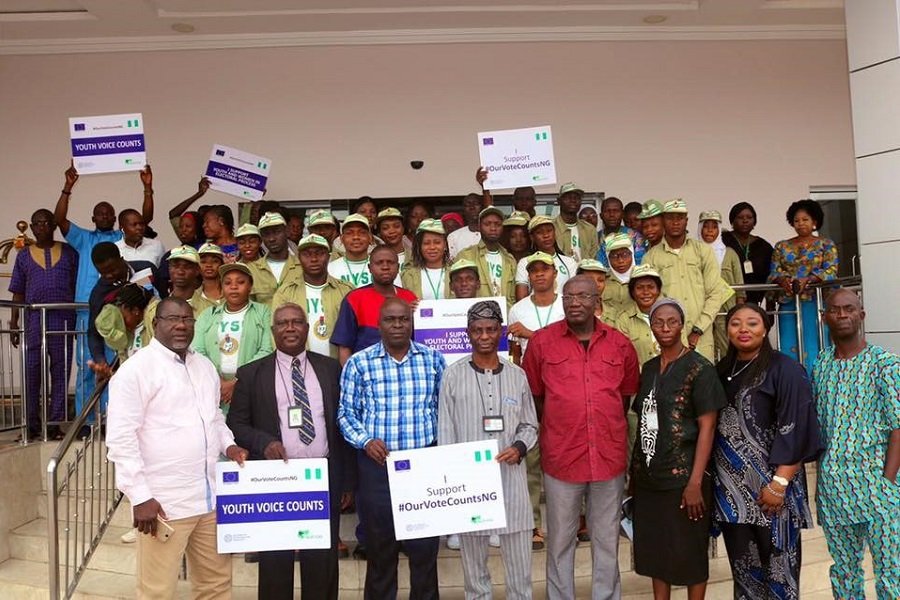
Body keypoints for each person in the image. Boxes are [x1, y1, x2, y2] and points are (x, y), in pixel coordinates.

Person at [106, 297, 248, 598]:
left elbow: (214, 420)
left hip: (210, 501)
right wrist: (140, 496)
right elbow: (121, 439)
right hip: (164, 505)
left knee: (216, 586)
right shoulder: (136, 370)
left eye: (187, 319)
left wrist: (231, 446)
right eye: (172, 318)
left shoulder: (205, 366)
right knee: (157, 591)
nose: (181, 325)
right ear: (155, 324)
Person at [522, 275, 640, 600]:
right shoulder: (542, 343)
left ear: (595, 299)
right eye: (569, 296)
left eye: (582, 296)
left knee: (606, 540)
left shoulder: (620, 344)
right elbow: (535, 398)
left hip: (608, 456)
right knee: (560, 540)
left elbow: (625, 397)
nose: (575, 302)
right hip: (562, 456)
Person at [227, 303, 356, 600]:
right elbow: (236, 423)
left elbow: (341, 424)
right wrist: (264, 442)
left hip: (322, 476)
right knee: (275, 560)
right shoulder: (251, 374)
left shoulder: (330, 369)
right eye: (283, 323)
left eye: (297, 322)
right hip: (277, 479)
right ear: (273, 331)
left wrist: (347, 481)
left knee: (322, 560)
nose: (290, 328)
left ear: (307, 329)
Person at [338, 297, 446, 600]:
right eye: (390, 320)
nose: (398, 325)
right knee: (380, 549)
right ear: (378, 324)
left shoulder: (434, 359)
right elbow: (346, 414)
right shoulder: (359, 363)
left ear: (411, 323)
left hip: (423, 467)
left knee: (424, 551)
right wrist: (365, 441)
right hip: (377, 468)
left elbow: (444, 410)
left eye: (403, 319)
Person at [712, 303, 822, 599]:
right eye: (735, 324)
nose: (743, 329)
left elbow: (796, 425)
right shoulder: (720, 371)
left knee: (780, 574)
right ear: (727, 330)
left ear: (766, 328)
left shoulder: (785, 369)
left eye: (752, 323)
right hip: (732, 496)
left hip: (773, 493)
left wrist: (780, 482)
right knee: (745, 576)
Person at [438, 300, 539, 600]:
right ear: (468, 333)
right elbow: (446, 433)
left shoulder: (516, 375)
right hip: (471, 488)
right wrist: (454, 483)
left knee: (520, 574)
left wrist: (519, 448)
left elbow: (530, 425)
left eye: (491, 329)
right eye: (478, 330)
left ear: (501, 332)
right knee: (475, 576)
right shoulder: (453, 376)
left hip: (512, 483)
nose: (484, 336)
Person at [631, 298, 726, 600]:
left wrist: (695, 482)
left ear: (682, 325)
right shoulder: (648, 369)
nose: (665, 328)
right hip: (649, 479)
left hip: (685, 478)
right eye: (658, 322)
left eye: (671, 321)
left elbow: (708, 427)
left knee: (689, 552)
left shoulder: (700, 368)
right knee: (657, 552)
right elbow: (644, 421)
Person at [812, 289, 900, 600]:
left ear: (861, 315)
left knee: (891, 573)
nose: (842, 315)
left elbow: (898, 426)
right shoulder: (820, 365)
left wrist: (887, 482)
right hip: (835, 489)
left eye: (849, 309)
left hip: (878, 488)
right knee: (845, 572)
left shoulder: (885, 364)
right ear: (824, 318)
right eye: (835, 310)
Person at [54, 163, 153, 420]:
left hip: (132, 324)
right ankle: (87, 423)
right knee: (91, 368)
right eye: (100, 214)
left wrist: (147, 188)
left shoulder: (129, 251)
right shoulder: (85, 241)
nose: (106, 217)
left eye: (110, 214)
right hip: (91, 313)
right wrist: (68, 188)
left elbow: (145, 219)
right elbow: (59, 221)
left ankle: (114, 420)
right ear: (93, 218)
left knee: (123, 368)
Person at [8, 209, 77, 440]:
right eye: (37, 223)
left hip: (63, 318)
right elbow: (18, 291)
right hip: (33, 320)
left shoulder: (69, 252)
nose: (42, 227)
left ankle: (55, 423)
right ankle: (31, 424)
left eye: (47, 223)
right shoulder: (24, 255)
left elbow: (78, 285)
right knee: (31, 373)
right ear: (31, 226)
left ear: (54, 225)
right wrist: (14, 322)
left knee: (61, 371)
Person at [643, 199, 725, 362]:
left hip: (702, 338)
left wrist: (698, 329)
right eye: (670, 218)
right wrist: (669, 330)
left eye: (679, 218)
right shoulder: (651, 256)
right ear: (663, 221)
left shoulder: (703, 251)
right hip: (668, 339)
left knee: (702, 384)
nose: (675, 222)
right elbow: (651, 299)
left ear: (686, 220)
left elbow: (715, 293)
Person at [192, 263, 273, 411]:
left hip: (252, 386)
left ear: (250, 286)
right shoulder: (207, 315)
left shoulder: (263, 312)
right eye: (227, 282)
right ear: (222, 287)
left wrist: (237, 381)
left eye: (241, 282)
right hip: (215, 389)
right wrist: (219, 382)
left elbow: (266, 349)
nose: (234, 286)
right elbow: (197, 351)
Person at [769, 199, 839, 372]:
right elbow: (773, 272)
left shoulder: (826, 244)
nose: (800, 224)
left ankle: (816, 384)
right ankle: (792, 385)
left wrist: (809, 280)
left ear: (815, 221)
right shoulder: (782, 246)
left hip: (817, 304)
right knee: (788, 345)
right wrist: (782, 280)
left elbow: (832, 270)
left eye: (805, 219)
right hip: (789, 303)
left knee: (816, 344)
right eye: (796, 220)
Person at [331, 245, 417, 364]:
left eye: (390, 262)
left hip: (405, 372)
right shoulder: (354, 298)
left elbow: (417, 341)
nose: (385, 267)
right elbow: (344, 347)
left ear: (398, 268)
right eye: (379, 263)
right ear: (370, 268)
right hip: (367, 374)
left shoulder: (409, 298)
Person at [272, 234, 353, 359]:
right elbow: (276, 334)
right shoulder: (285, 293)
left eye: (319, 253)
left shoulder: (346, 290)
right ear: (299, 258)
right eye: (307, 254)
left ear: (328, 256)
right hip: (299, 366)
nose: (314, 259)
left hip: (339, 366)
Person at [698, 210, 745, 360]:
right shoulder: (694, 252)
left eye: (714, 226)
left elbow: (739, 284)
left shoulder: (729, 253)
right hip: (701, 308)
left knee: (727, 347)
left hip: (726, 308)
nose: (710, 230)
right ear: (700, 229)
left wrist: (739, 308)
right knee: (703, 349)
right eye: (706, 226)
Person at [456, 206, 517, 308]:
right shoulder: (466, 255)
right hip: (477, 318)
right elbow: (455, 291)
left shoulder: (509, 259)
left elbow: (513, 297)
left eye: (497, 224)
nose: (493, 228)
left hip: (505, 318)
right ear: (479, 227)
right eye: (487, 224)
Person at [508, 252, 565, 358]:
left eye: (545, 269)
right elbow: (515, 353)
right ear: (529, 276)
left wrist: (529, 334)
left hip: (562, 371)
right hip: (529, 372)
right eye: (534, 271)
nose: (539, 274)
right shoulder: (516, 310)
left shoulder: (567, 305)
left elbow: (570, 343)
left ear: (555, 273)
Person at [721, 202, 773, 305]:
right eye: (740, 217)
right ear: (732, 220)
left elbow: (770, 274)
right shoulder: (722, 240)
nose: (745, 220)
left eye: (749, 217)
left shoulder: (764, 246)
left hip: (754, 300)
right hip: (727, 299)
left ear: (754, 221)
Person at [515, 215, 577, 301]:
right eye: (539, 232)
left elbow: (574, 294)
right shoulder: (525, 262)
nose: (546, 235)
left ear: (554, 233)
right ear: (532, 237)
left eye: (549, 230)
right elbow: (521, 299)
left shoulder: (569, 262)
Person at [614, 265, 664, 368]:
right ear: (632, 292)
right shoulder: (624, 320)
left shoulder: (671, 314)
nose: (646, 292)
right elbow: (623, 356)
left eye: (651, 287)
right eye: (640, 288)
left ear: (658, 290)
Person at [248, 212, 303, 305]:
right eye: (266, 234)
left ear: (287, 231)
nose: (271, 239)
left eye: (277, 232)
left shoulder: (302, 267)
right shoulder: (252, 270)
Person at [400, 218, 452, 300]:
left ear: (445, 245)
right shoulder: (408, 275)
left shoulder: (455, 272)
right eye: (426, 243)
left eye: (437, 242)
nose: (432, 247)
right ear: (419, 247)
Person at [596, 196, 646, 268]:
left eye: (616, 211)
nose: (612, 215)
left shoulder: (635, 236)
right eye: (607, 211)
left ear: (622, 214)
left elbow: (640, 264)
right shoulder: (596, 237)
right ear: (601, 215)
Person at [553, 183, 598, 262]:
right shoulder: (551, 227)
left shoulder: (590, 229)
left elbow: (593, 258)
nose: (573, 200)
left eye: (576, 198)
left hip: (584, 273)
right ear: (559, 201)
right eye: (568, 197)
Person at [328, 214, 375, 288]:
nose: (356, 237)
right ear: (342, 239)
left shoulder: (382, 266)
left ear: (370, 237)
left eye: (362, 232)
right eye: (349, 233)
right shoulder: (330, 268)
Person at [601, 233, 637, 324]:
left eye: (625, 254)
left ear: (632, 254)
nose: (620, 261)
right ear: (608, 258)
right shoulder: (602, 282)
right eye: (614, 256)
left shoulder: (642, 279)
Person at [167, 176, 211, 244]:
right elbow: (173, 214)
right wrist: (199, 193)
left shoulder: (209, 246)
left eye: (188, 226)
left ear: (197, 228)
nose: (183, 230)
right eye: (180, 226)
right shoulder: (179, 249)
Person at [448, 193, 484, 259]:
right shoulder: (453, 237)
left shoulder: (491, 233)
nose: (472, 207)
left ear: (483, 207)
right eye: (467, 205)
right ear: (463, 210)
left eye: (476, 204)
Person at [194, 242, 225, 316]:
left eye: (215, 261)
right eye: (203, 262)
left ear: (222, 265)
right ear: (198, 267)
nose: (209, 265)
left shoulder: (232, 292)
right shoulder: (194, 298)